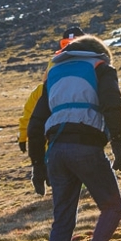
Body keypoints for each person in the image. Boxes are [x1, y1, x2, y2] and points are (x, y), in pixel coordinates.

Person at [27, 34, 121, 241]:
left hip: (56, 151)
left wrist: (38, 164)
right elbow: (112, 105)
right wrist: (118, 145)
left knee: (62, 220)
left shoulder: (55, 73)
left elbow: (35, 124)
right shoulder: (101, 68)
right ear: (100, 53)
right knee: (113, 206)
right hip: (86, 146)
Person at [17, 26, 86, 154]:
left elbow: (31, 112)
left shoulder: (50, 78)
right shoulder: (93, 71)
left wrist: (23, 135)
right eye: (67, 44)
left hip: (62, 148)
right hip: (83, 145)